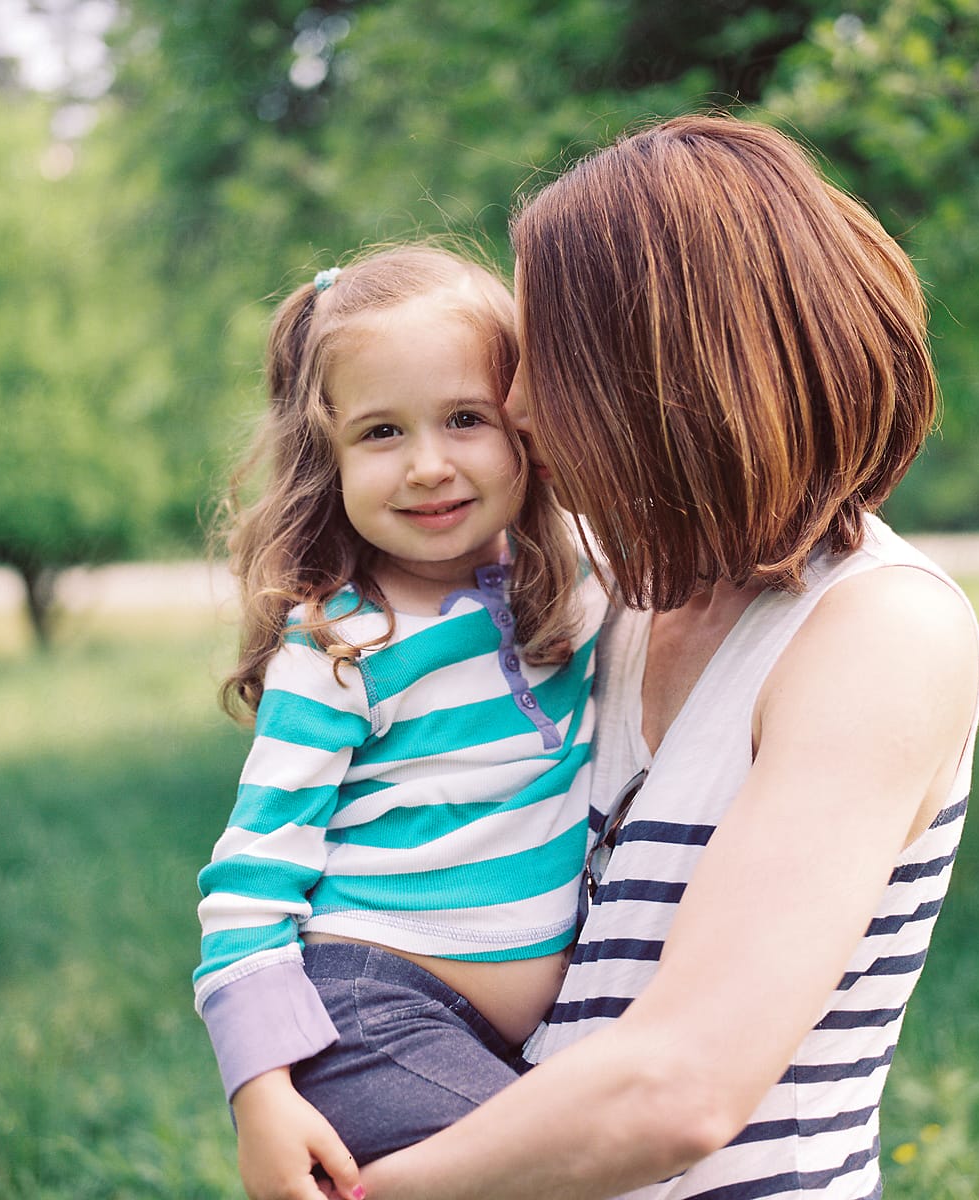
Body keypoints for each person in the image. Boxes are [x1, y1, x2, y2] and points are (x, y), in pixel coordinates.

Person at [350, 114, 979, 1200]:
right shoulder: (605, 597)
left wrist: (372, 1194)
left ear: (657, 371)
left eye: (543, 353)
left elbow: (682, 1089)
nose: (514, 403)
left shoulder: (877, 632)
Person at [193, 245, 606, 1200]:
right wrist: (260, 1093)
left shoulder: (577, 585)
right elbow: (250, 882)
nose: (429, 466)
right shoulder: (343, 645)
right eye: (381, 432)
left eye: (467, 418)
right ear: (326, 460)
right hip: (372, 1014)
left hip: (503, 1035)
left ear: (529, 430)